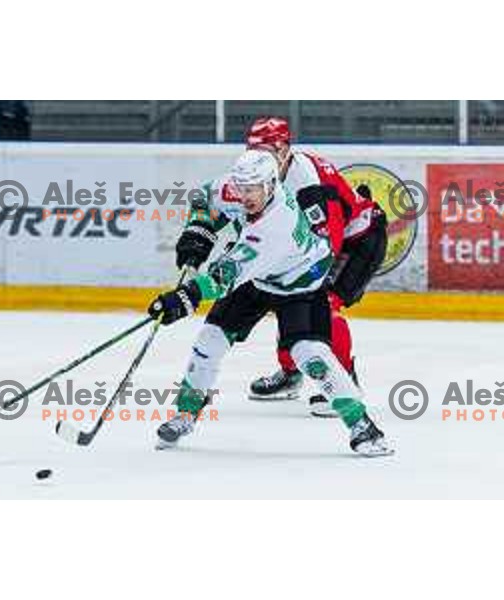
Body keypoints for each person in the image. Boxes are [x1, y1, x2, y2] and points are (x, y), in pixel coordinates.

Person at [149, 149, 393, 457]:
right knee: (209, 339)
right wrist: (197, 232)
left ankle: (362, 425)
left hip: (300, 285)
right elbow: (204, 197)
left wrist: (184, 298)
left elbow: (226, 274)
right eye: (241, 188)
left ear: (271, 185)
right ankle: (185, 413)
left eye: (252, 189)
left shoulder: (277, 224)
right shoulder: (237, 188)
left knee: (310, 354)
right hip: (259, 279)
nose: (245, 196)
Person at [241, 117, 388, 416]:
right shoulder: (266, 175)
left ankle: (346, 382)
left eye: (266, 151)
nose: (258, 158)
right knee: (284, 296)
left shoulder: (308, 185)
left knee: (322, 303)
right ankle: (291, 373)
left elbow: (327, 246)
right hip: (326, 240)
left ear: (284, 150)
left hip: (359, 242)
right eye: (253, 151)